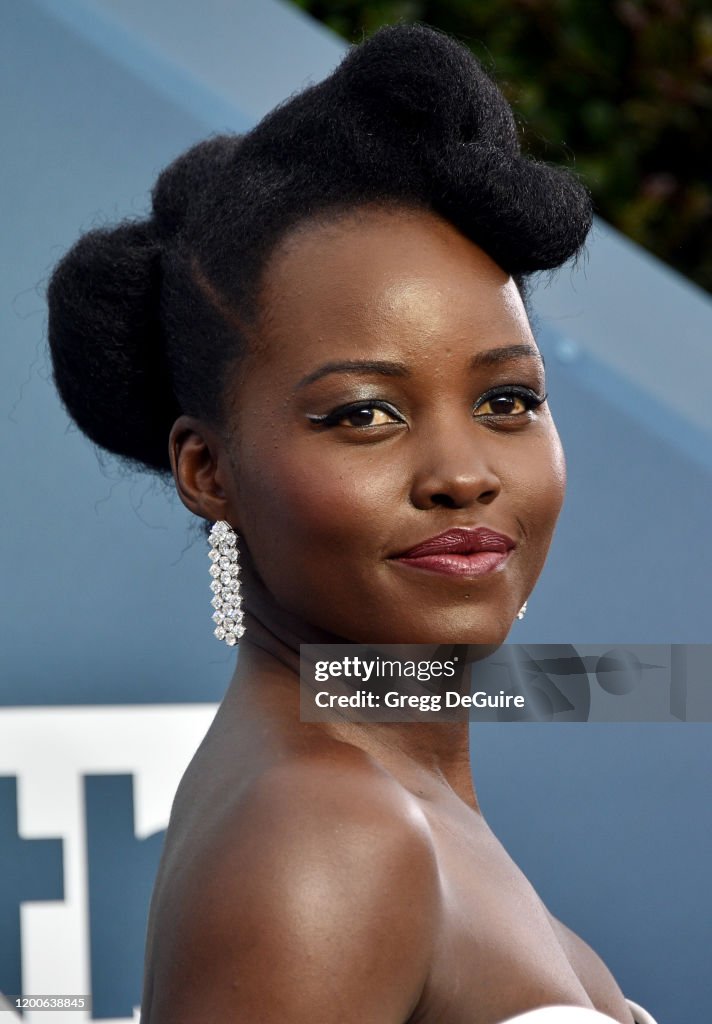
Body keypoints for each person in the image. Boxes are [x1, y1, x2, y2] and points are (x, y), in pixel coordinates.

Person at [46, 23, 659, 1024]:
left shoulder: (375, 796)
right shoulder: (330, 834)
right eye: (364, 414)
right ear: (208, 471)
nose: (463, 473)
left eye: (507, 401)